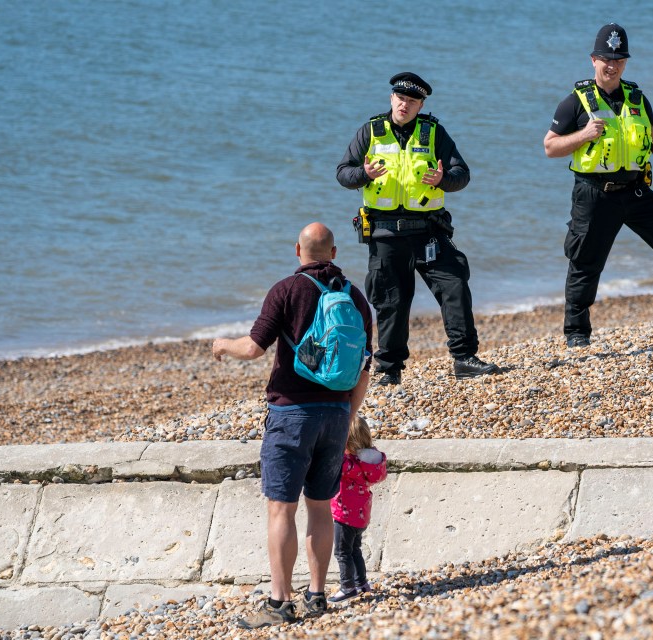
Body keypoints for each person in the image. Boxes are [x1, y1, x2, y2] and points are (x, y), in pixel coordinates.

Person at [212, 222, 373, 629]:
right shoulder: (354, 296)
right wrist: (348, 414)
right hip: (337, 414)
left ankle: (279, 602)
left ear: (297, 250)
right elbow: (365, 367)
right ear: (333, 252)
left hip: (291, 414)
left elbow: (252, 349)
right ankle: (317, 596)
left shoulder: (285, 290)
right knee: (320, 506)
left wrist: (221, 345)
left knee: (281, 508)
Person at [543, 24, 653, 348]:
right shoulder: (575, 102)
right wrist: (583, 135)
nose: (612, 65)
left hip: (635, 190)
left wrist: (643, 140)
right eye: (606, 59)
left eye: (619, 59)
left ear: (625, 62)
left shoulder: (637, 98)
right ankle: (576, 333)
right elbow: (550, 147)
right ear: (593, 59)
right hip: (594, 193)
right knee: (585, 260)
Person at [337, 72, 499, 385]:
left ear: (421, 104)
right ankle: (389, 369)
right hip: (385, 234)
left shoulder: (434, 132)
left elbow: (461, 174)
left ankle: (464, 358)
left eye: (412, 101)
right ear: (391, 99)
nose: (405, 104)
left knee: (454, 284)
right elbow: (343, 173)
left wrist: (443, 180)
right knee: (391, 301)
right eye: (400, 98)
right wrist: (363, 174)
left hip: (429, 231)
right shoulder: (370, 132)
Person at [328, 414, 387, 603]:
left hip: (344, 515)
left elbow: (328, 462)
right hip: (361, 516)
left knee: (342, 552)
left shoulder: (346, 464)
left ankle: (347, 587)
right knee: (355, 549)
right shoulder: (369, 463)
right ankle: (361, 583)